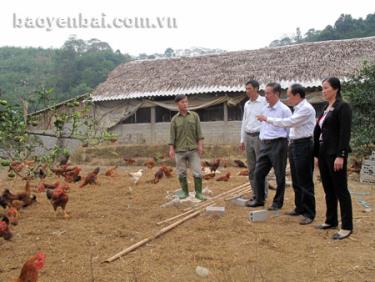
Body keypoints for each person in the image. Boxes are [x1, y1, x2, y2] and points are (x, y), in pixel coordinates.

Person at [257, 84, 316, 225]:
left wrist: (268, 119)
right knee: (296, 179)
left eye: (289, 95)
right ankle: (300, 207)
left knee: (305, 181)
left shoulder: (306, 109)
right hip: (295, 144)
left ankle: (309, 212)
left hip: (304, 144)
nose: (288, 98)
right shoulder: (298, 108)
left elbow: (289, 122)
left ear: (297, 95)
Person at [313, 77, 353, 240]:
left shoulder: (343, 107)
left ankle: (347, 226)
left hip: (335, 154)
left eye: (326, 88)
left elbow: (344, 133)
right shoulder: (325, 108)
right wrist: (316, 155)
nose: (323, 91)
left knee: (340, 190)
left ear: (336, 89)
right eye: (322, 88)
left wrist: (341, 155)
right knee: (328, 189)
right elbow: (320, 132)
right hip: (323, 153)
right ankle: (331, 220)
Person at [247, 82, 292, 210]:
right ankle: (260, 199)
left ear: (276, 94)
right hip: (265, 144)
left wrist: (284, 145)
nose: (265, 96)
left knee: (279, 175)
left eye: (268, 93)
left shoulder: (284, 110)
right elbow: (264, 127)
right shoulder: (265, 108)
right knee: (258, 173)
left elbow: (289, 129)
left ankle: (277, 203)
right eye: (265, 93)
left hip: (278, 144)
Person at [169, 94, 206, 201]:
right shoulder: (174, 120)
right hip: (179, 151)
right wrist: (171, 149)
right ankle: (184, 192)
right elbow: (172, 136)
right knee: (181, 172)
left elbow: (199, 133)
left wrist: (200, 146)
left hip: (193, 150)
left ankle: (198, 193)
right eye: (182, 102)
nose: (185, 104)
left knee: (197, 171)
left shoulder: (194, 116)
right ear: (177, 104)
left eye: (186, 102)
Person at [239, 80, 268, 202]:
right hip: (248, 136)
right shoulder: (247, 104)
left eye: (249, 88)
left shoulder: (264, 102)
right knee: (251, 168)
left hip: (259, 137)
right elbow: (244, 122)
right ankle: (255, 193)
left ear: (256, 89)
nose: (247, 91)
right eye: (246, 89)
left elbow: (267, 120)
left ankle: (263, 194)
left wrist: (262, 135)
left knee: (260, 166)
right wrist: (242, 139)